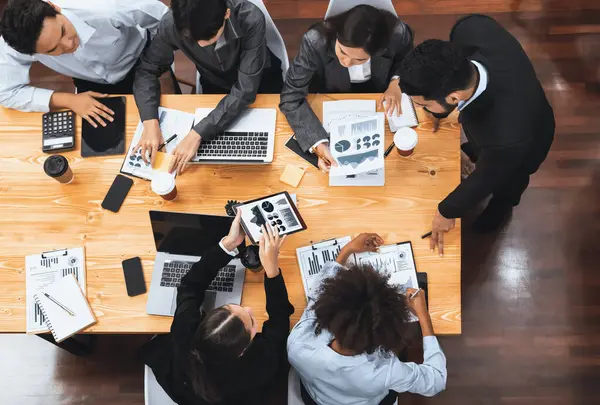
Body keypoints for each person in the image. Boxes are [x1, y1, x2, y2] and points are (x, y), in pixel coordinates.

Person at [398, 14, 555, 251]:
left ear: (454, 96)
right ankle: (476, 151)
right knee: (480, 150)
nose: (423, 110)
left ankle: (501, 209)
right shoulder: (471, 28)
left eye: (424, 105)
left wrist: (446, 211)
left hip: (527, 139)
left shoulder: (506, 135)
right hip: (504, 121)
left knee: (508, 183)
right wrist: (437, 111)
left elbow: (486, 178)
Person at [141, 211, 294, 405]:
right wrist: (272, 271)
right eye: (252, 321)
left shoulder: (184, 330)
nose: (248, 309)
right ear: (242, 351)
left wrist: (228, 245)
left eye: (230, 307)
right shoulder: (260, 365)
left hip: (184, 389)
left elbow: (189, 286)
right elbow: (279, 323)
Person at [287, 233, 447, 405]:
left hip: (316, 397)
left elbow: (315, 298)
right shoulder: (386, 371)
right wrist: (423, 316)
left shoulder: (298, 345)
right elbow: (436, 381)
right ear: (386, 336)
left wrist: (346, 251)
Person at [133, 0, 284, 175]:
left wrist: (197, 133)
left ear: (226, 14)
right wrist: (150, 122)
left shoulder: (249, 18)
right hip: (215, 83)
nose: (201, 46)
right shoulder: (171, 23)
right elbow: (146, 70)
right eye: (192, 39)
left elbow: (245, 90)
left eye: (210, 36)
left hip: (261, 83)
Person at [279, 5, 414, 172]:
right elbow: (290, 95)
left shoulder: (398, 34)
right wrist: (318, 143)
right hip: (331, 91)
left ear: (378, 51)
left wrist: (395, 82)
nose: (346, 62)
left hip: (378, 90)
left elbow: (409, 59)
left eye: (359, 59)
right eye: (342, 51)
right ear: (337, 36)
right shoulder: (315, 41)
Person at [0, 0, 167, 128]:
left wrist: (156, 62)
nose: (68, 45)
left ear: (55, 7)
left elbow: (165, 20)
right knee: (103, 144)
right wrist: (68, 100)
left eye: (63, 31)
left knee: (168, 118)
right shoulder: (15, 42)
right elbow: (6, 92)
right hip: (91, 83)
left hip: (144, 61)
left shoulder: (105, 7)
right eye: (52, 50)